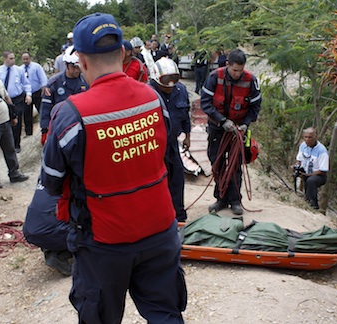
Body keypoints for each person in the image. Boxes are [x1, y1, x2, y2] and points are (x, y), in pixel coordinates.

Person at [41, 13, 187, 323]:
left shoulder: (70, 115)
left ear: (81, 61)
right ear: (122, 53)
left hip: (105, 241)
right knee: (165, 313)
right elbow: (166, 157)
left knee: (99, 316)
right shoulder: (153, 98)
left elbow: (52, 181)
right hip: (160, 230)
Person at [201, 48, 262, 215]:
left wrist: (246, 124)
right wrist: (222, 121)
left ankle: (235, 200)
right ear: (227, 65)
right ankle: (221, 198)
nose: (237, 74)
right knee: (217, 162)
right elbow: (205, 103)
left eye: (240, 70)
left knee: (235, 165)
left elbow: (255, 106)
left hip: (238, 130)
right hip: (217, 128)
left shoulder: (251, 81)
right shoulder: (215, 77)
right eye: (235, 70)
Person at [149, 57, 191, 222]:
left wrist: (187, 136)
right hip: (153, 148)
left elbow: (185, 116)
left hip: (173, 144)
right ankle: (158, 217)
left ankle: (178, 215)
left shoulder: (180, 91)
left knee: (177, 179)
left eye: (174, 78)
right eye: (167, 80)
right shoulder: (147, 93)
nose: (171, 84)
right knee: (157, 182)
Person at [0, 57, 29, 188]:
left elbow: (6, 97)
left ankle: (14, 173)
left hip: (5, 121)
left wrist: (13, 115)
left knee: (10, 149)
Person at [39, 47, 89, 145]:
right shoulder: (53, 83)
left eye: (78, 67)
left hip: (82, 125)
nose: (76, 71)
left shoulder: (86, 81)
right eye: (73, 67)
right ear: (66, 65)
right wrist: (45, 130)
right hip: (61, 126)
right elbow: (46, 107)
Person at [23, 179, 73, 276]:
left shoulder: (47, 174)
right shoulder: (74, 176)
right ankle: (59, 255)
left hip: (30, 230)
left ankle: (51, 248)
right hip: (48, 231)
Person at [0, 51, 32, 153]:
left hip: (17, 99)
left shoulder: (19, 70)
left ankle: (16, 144)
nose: (13, 60)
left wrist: (28, 95)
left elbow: (26, 83)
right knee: (5, 121)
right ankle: (6, 144)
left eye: (13, 58)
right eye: (10, 58)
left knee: (17, 121)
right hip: (3, 100)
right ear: (5, 59)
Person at [294, 127, 329, 209]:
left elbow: (323, 170)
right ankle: (297, 195)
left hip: (318, 175)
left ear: (315, 137)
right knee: (295, 173)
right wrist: (297, 166)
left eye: (310, 137)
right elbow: (299, 159)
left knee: (311, 181)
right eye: (305, 137)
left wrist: (308, 174)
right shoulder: (303, 146)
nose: (307, 139)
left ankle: (312, 205)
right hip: (305, 171)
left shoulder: (322, 150)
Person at [21, 52, 48, 119]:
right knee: (27, 114)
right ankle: (28, 129)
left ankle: (44, 126)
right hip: (26, 94)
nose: (25, 61)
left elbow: (43, 78)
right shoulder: (20, 69)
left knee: (41, 110)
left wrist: (44, 89)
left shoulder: (36, 67)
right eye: (24, 59)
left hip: (37, 92)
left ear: (30, 58)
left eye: (27, 59)